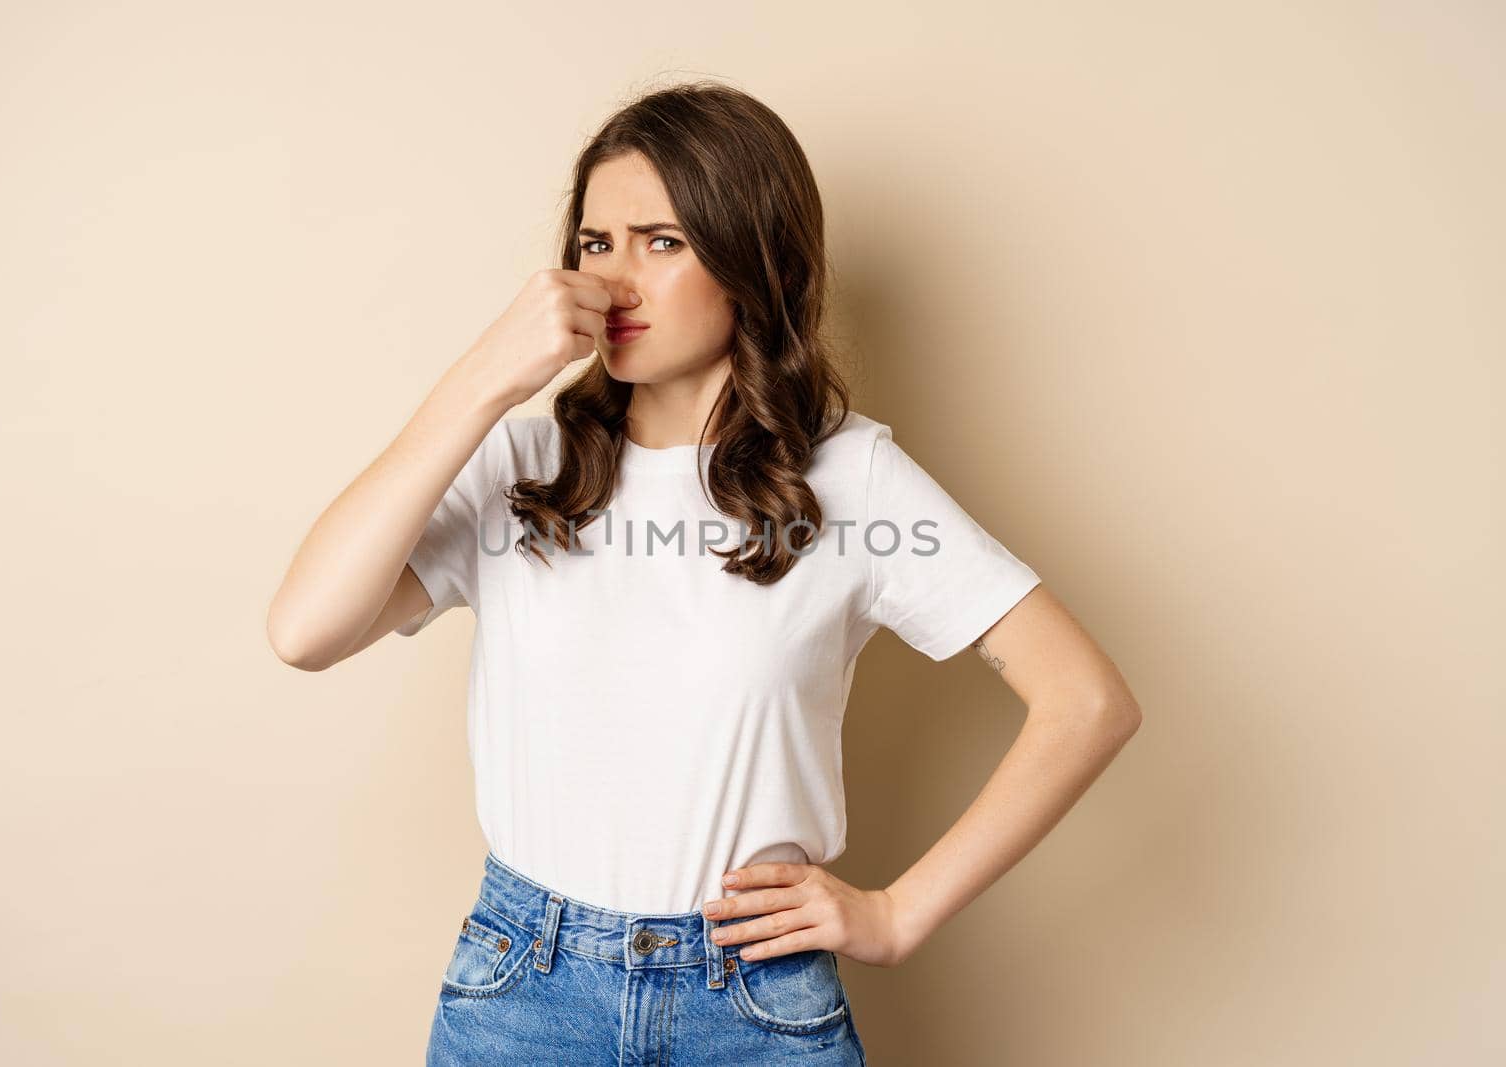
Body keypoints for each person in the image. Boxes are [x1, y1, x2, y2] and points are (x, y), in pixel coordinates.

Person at [268, 80, 1142, 1067]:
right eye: (595, 244)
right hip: (524, 990)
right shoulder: (521, 464)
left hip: (752, 1002)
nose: (615, 282)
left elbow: (1085, 700)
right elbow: (305, 630)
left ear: (749, 260)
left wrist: (897, 912)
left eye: (662, 241)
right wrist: (486, 378)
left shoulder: (849, 478)